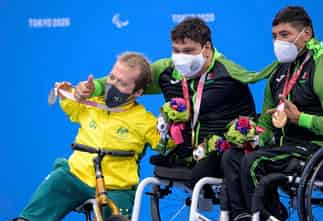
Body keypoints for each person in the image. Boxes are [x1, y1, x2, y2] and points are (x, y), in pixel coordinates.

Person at [211, 6, 323, 221]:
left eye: (285, 35)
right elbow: (267, 126)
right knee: (233, 156)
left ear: (306, 34)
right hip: (287, 147)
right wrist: (251, 135)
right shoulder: (279, 72)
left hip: (320, 149)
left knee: (254, 162)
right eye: (275, 36)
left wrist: (300, 119)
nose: (278, 41)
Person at [74, 17, 275, 190]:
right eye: (176, 50)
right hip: (186, 151)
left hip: (219, 150)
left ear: (206, 48)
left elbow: (257, 80)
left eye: (187, 51)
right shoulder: (167, 69)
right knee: (162, 165)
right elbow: (130, 78)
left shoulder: (229, 72)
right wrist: (95, 89)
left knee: (203, 175)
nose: (181, 57)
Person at [6, 52, 163, 221]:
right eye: (112, 77)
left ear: (137, 92)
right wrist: (66, 93)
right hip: (78, 175)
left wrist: (171, 127)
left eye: (122, 83)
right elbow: (73, 109)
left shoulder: (144, 120)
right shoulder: (91, 103)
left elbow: (162, 143)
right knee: (56, 181)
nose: (112, 84)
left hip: (116, 185)